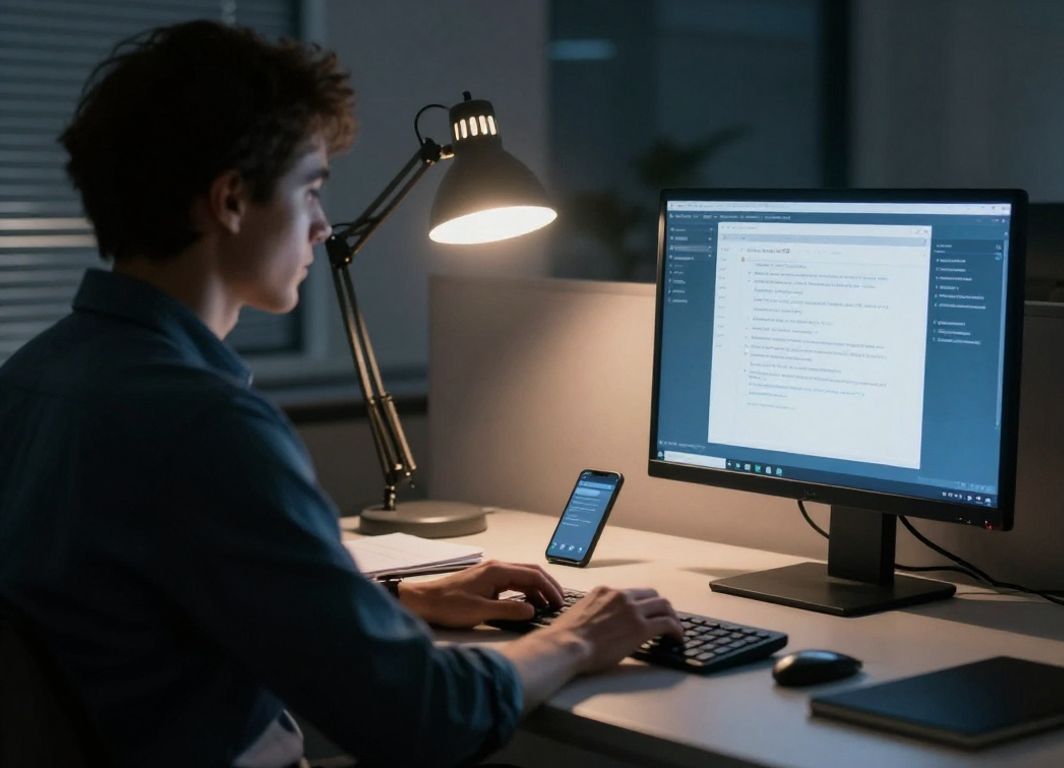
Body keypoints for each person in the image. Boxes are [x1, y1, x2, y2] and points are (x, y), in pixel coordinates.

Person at [0, 20, 681, 768]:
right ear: (230, 201)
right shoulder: (203, 424)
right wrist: (579, 636)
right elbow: (424, 718)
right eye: (310, 189)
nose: (324, 227)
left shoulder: (34, 379)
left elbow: (153, 611)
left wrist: (397, 605)